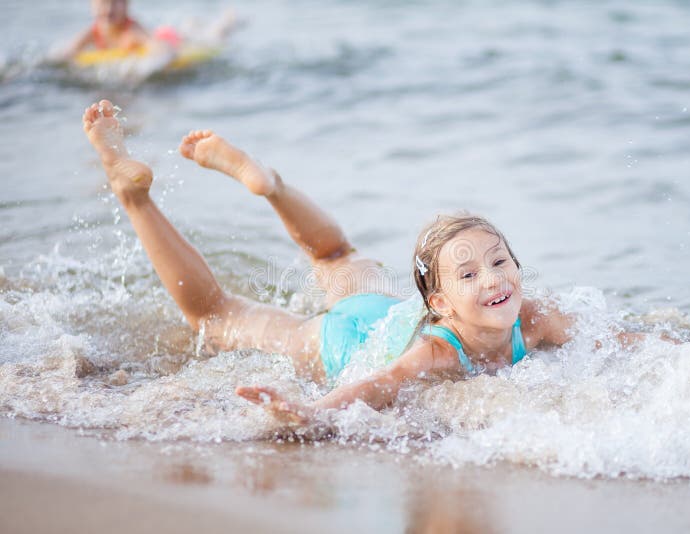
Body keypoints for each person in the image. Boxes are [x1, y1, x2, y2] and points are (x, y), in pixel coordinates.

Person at [81, 99, 658, 426]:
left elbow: (625, 341)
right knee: (213, 315)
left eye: (499, 260)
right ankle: (135, 196)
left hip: (385, 305)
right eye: (470, 273)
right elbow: (375, 383)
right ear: (443, 304)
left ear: (516, 264)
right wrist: (311, 409)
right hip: (341, 338)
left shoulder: (533, 313)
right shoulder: (439, 350)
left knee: (334, 253)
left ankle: (272, 184)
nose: (493, 279)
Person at [50, 0, 237, 64]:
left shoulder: (131, 31)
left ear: (127, 5)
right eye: (101, 3)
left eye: (115, 3)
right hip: (159, 36)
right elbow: (68, 53)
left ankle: (225, 24)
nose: (108, 10)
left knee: (211, 38)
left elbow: (159, 48)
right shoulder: (93, 32)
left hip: (170, 38)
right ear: (92, 6)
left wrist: (156, 60)